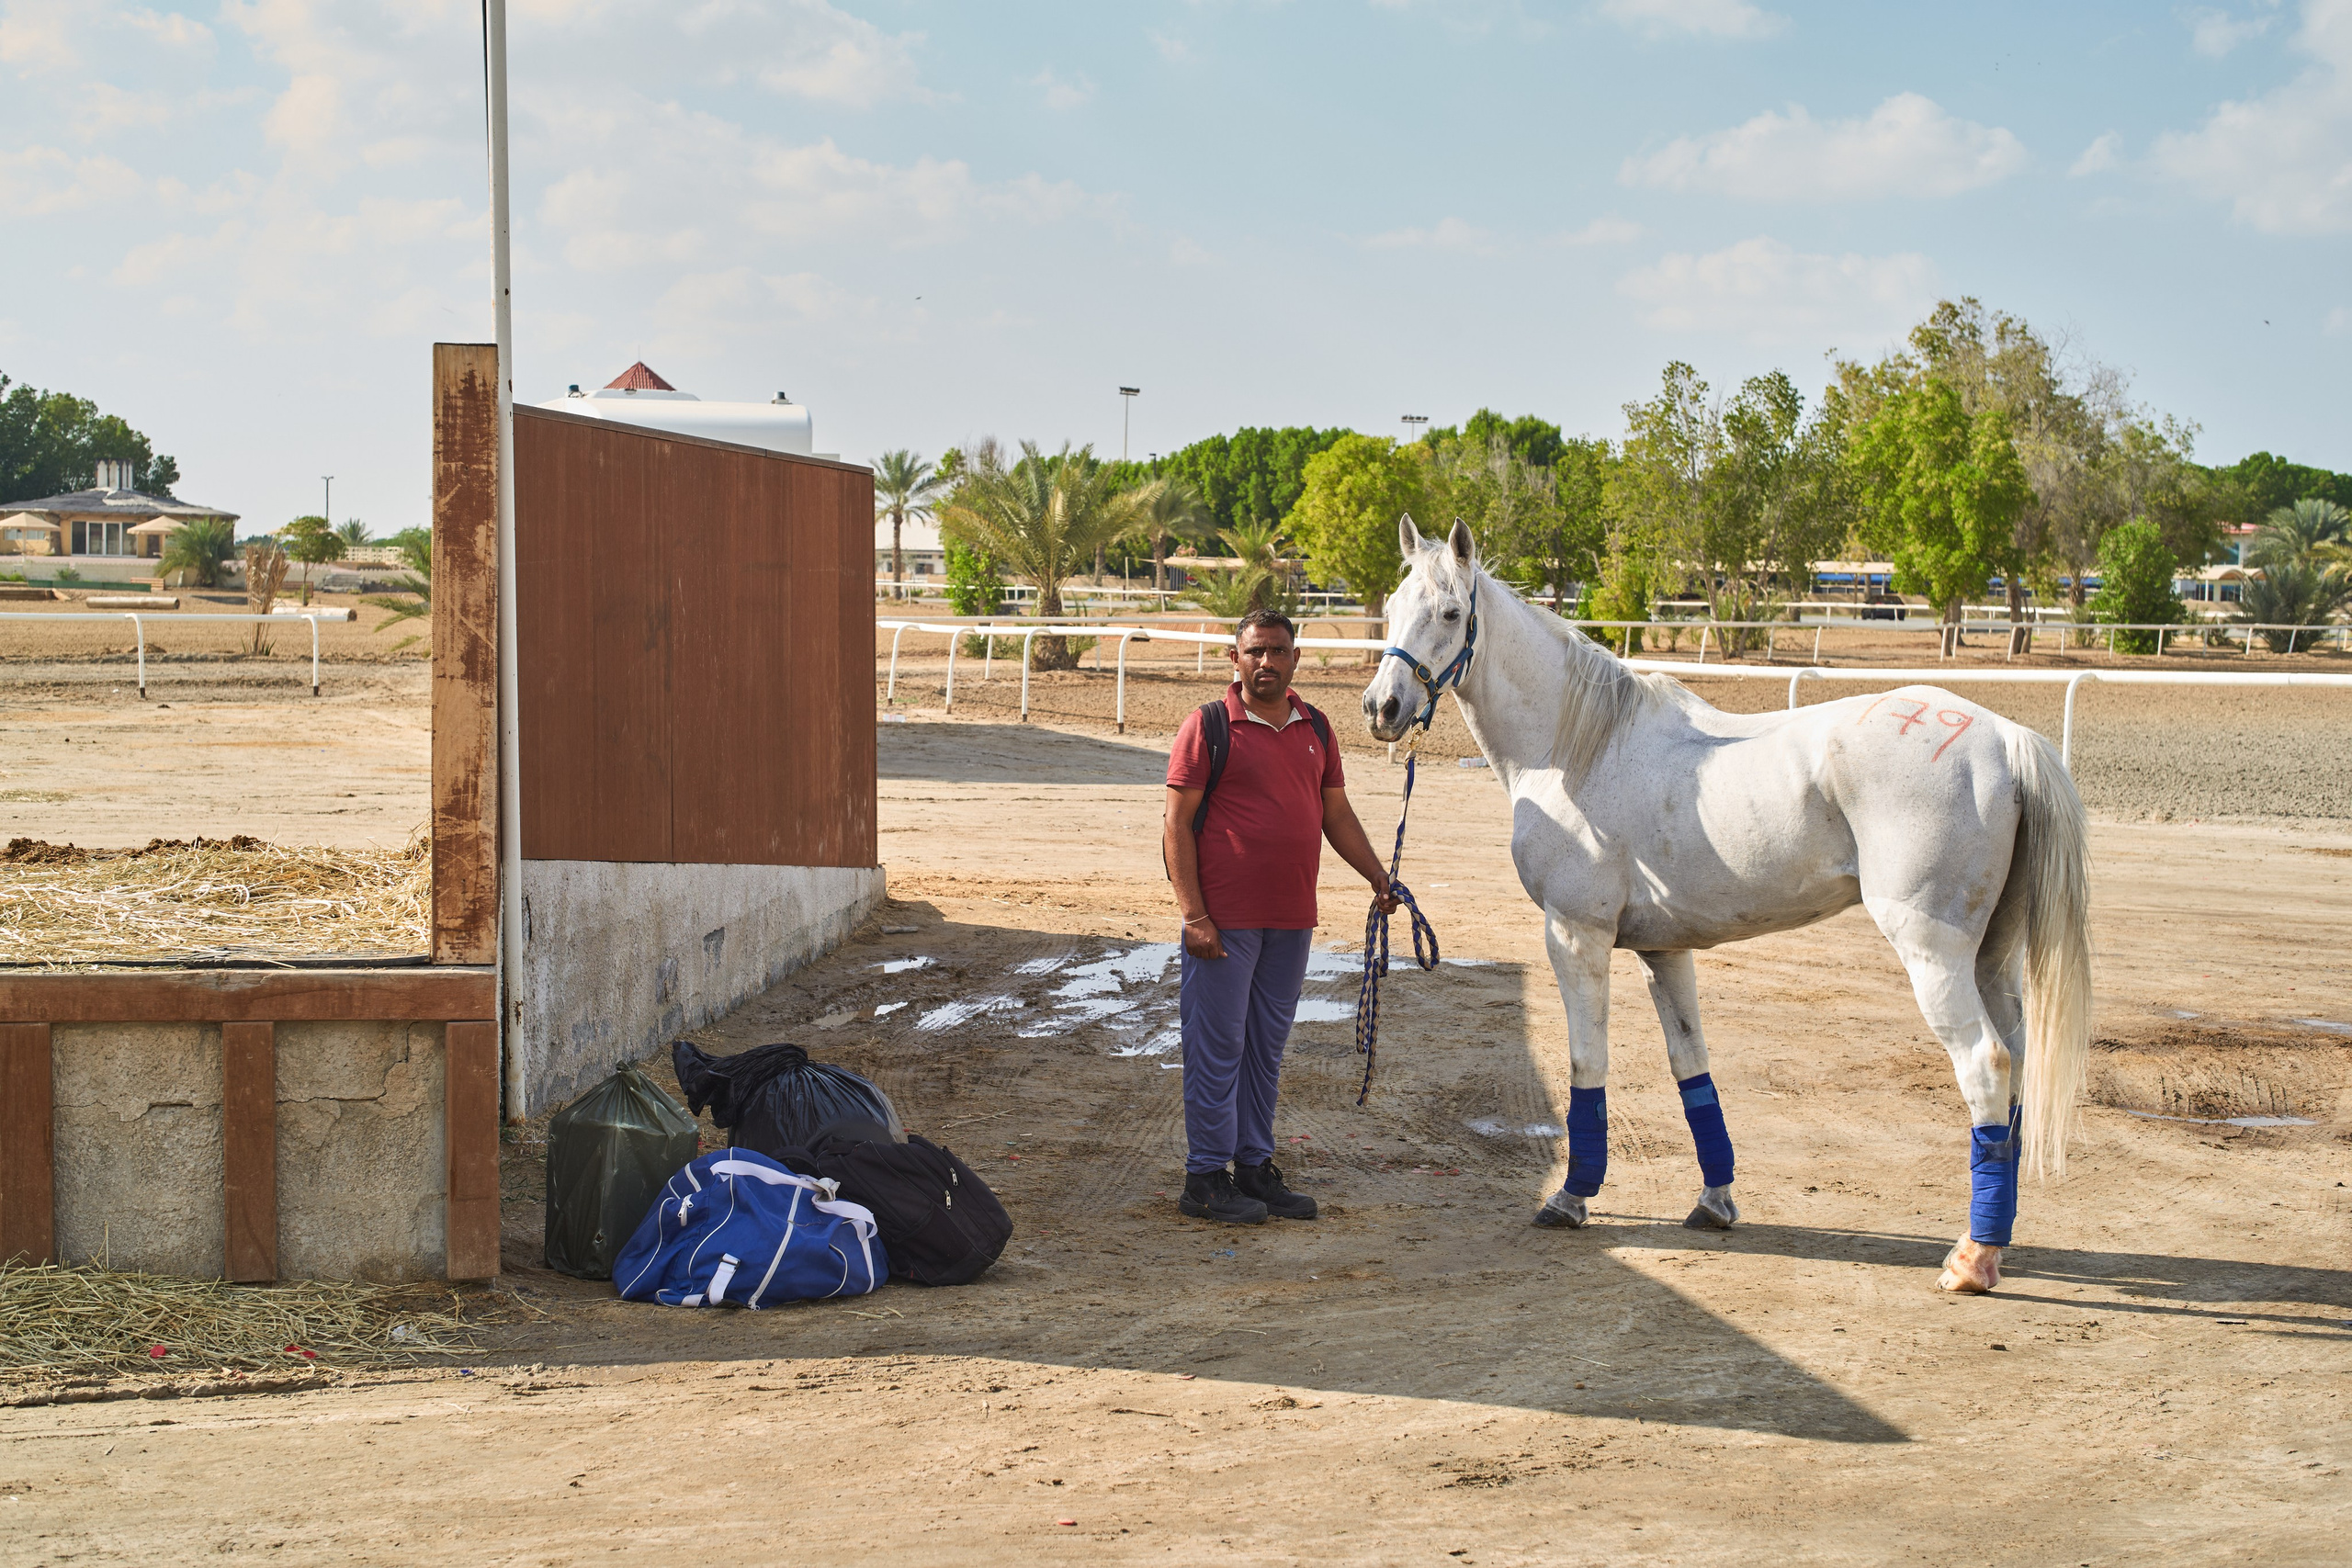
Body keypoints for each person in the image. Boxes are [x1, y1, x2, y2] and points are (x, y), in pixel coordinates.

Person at [1163, 607, 1399, 1224]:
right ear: (1233, 659)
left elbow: (1336, 816)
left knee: (1264, 1050)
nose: (1265, 662)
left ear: (1295, 659)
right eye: (1254, 652)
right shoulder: (1208, 726)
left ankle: (1253, 1166)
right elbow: (1176, 824)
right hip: (1223, 921)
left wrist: (1377, 874)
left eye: (1276, 651)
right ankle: (1205, 1177)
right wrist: (1193, 913)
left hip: (1292, 920)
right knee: (1217, 1048)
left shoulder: (1317, 727)